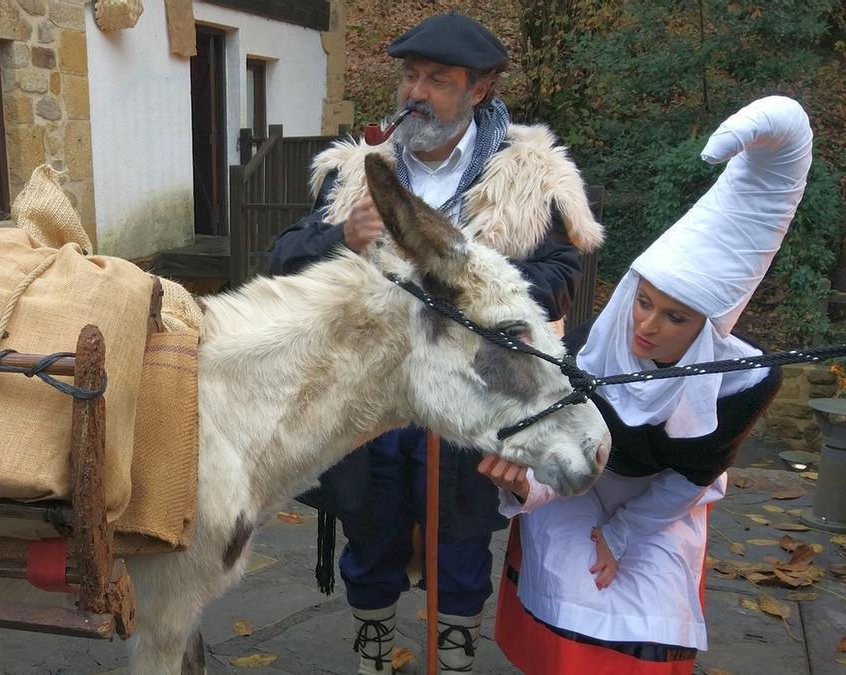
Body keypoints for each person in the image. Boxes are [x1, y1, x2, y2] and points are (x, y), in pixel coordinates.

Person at [267, 13, 603, 674]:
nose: (414, 93)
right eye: (410, 76)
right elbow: (280, 262)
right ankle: (373, 653)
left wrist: (469, 279)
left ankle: (451, 659)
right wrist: (342, 238)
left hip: (474, 395)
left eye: (437, 81)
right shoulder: (360, 172)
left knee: (461, 535)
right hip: (374, 393)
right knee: (369, 525)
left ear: (478, 90)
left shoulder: (528, 179)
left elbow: (561, 279)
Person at [485, 96, 812, 675]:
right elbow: (555, 451)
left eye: (675, 318)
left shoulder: (740, 384)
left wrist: (623, 534)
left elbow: (691, 475)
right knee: (568, 573)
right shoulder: (587, 349)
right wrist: (522, 485)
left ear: (710, 328)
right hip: (578, 477)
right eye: (643, 301)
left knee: (651, 602)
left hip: (663, 496)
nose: (645, 326)